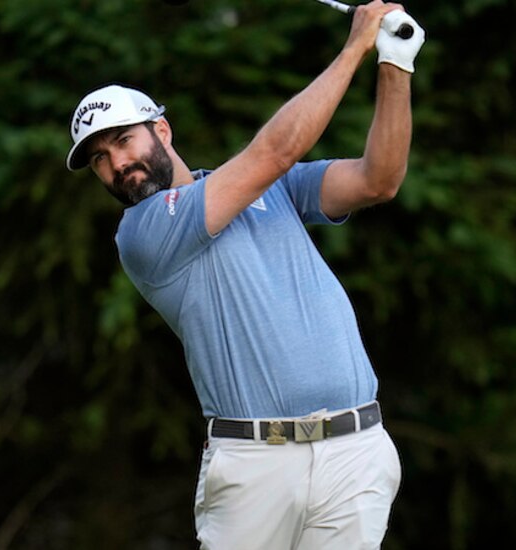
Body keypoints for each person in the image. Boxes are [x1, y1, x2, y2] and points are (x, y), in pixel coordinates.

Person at [65, 2, 425, 548]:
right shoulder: (142, 234)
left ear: (161, 130)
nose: (116, 164)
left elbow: (379, 180)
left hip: (354, 454)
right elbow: (276, 152)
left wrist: (394, 63)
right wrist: (354, 47)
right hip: (255, 466)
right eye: (98, 159)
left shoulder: (267, 190)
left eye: (123, 141)